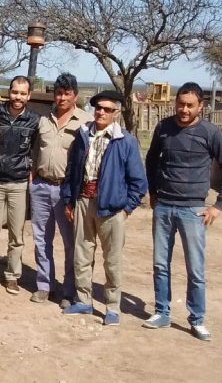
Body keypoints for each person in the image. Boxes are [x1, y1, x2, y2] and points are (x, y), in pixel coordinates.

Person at [143, 82, 222, 341]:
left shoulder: (210, 133)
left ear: (200, 107)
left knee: (195, 268)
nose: (184, 109)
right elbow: (152, 160)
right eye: (180, 104)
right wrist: (153, 192)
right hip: (164, 206)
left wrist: (218, 206)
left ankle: (196, 319)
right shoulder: (164, 128)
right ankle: (162, 312)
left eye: (189, 105)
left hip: (193, 210)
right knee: (160, 264)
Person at [60, 90, 147, 325]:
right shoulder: (82, 136)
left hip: (112, 207)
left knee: (112, 259)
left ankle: (112, 306)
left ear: (115, 113)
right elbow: (72, 171)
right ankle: (83, 300)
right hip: (83, 201)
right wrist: (69, 199)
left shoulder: (125, 140)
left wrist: (126, 207)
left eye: (107, 109)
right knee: (82, 254)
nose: (101, 112)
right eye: (99, 108)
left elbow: (139, 182)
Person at [30, 73, 92, 306]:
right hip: (41, 186)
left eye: (67, 93)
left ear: (75, 95)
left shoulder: (85, 122)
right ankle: (44, 285)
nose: (62, 97)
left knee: (70, 242)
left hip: (67, 192)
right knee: (41, 239)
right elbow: (36, 149)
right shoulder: (44, 120)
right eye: (58, 93)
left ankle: (68, 289)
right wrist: (33, 174)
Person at [0, 75, 40, 294]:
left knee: (17, 234)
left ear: (28, 96)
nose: (18, 97)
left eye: (23, 93)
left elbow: (36, 149)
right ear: (9, 92)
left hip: (19, 183)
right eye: (15, 92)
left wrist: (31, 169)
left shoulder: (34, 120)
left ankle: (13, 276)